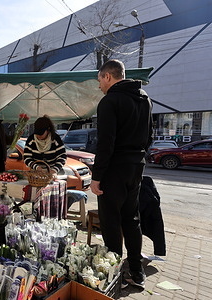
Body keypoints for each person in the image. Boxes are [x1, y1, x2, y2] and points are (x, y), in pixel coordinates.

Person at [90, 59, 153, 288]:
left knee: (111, 222)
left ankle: (114, 272)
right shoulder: (145, 99)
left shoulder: (110, 101)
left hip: (114, 170)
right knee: (132, 219)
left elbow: (105, 143)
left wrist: (96, 177)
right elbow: (149, 136)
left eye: (100, 80)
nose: (99, 86)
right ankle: (136, 272)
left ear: (108, 76)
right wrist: (138, 158)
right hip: (136, 167)